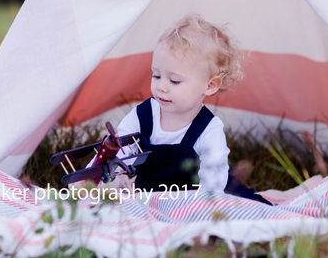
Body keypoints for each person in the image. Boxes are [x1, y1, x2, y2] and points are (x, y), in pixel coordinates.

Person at [111, 13, 272, 204]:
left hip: (198, 198)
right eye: (156, 75)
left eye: (174, 80)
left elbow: (213, 182)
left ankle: (289, 193)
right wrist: (116, 175)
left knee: (253, 205)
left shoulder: (208, 128)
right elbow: (117, 151)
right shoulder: (142, 116)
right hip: (153, 195)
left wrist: (200, 207)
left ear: (210, 85)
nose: (161, 86)